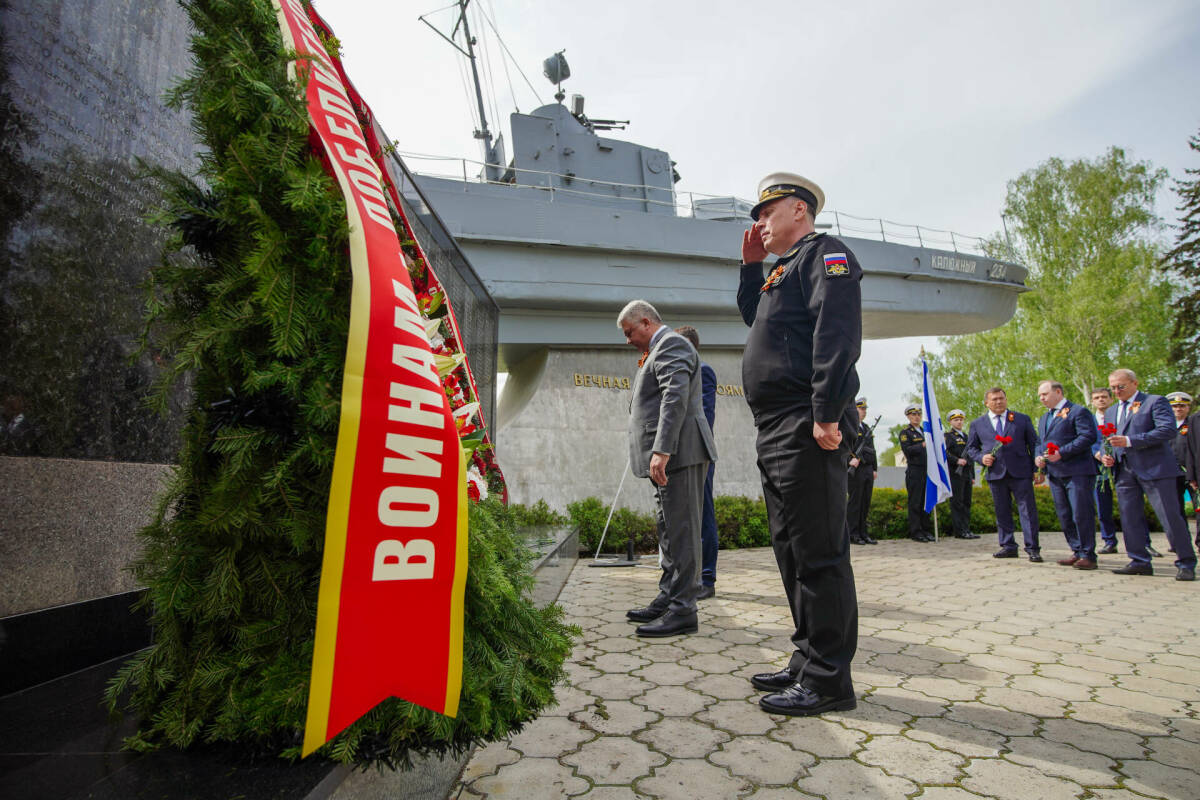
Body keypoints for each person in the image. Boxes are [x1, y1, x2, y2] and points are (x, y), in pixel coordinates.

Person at [737, 171, 860, 716]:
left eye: (766, 213)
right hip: (776, 427)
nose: (759, 224)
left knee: (819, 554)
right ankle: (808, 658)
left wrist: (827, 411)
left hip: (805, 422)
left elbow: (836, 332)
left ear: (799, 211)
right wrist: (749, 269)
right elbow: (754, 319)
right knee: (791, 551)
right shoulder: (783, 270)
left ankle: (830, 680)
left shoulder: (824, 255)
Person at [619, 300, 718, 635]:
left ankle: (683, 611)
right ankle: (668, 597)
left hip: (680, 454)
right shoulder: (659, 348)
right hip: (669, 457)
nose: (628, 339)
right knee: (669, 531)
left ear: (646, 322)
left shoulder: (672, 344)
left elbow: (673, 397)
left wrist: (661, 449)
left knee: (683, 532)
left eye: (629, 332)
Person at [1099, 369, 1196, 581]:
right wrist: (1107, 455)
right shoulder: (1112, 410)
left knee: (1170, 518)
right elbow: (1107, 438)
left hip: (1156, 470)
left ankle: (1186, 562)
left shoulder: (1154, 402)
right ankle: (1139, 560)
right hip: (1124, 470)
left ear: (1135, 383)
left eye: (1120, 386)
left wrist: (1130, 441)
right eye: (1113, 387)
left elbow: (1166, 430)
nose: (1116, 391)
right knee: (1130, 518)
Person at [966, 387, 1042, 562]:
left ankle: (1033, 548)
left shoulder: (1021, 419)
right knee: (1002, 511)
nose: (999, 402)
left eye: (1001, 398)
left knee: (1027, 511)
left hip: (1021, 472)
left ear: (1006, 400)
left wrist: (1036, 469)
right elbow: (970, 448)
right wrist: (981, 457)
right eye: (994, 399)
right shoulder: (978, 423)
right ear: (986, 403)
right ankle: (1008, 546)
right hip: (996, 473)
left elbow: (1034, 443)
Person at [1034, 380, 1099, 569]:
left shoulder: (1078, 411)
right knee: (1065, 514)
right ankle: (1077, 550)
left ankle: (1088, 554)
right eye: (1040, 395)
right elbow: (1041, 442)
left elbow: (1088, 437)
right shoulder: (1044, 418)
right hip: (1055, 473)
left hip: (1077, 472)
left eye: (1045, 394)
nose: (1042, 398)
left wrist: (1062, 452)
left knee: (1081, 513)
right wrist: (1039, 457)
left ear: (1059, 392)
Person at [676, 325, 719, 598]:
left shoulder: (703, 371)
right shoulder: (682, 374)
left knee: (703, 517)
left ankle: (707, 580)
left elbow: (703, 418)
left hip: (698, 455)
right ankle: (689, 578)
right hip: (680, 456)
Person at [1090, 387, 1120, 554]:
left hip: (1121, 463)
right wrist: (1097, 453)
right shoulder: (1089, 419)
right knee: (1102, 505)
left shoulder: (1119, 416)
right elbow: (1086, 438)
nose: (1101, 400)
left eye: (1104, 397)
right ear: (1093, 402)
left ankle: (1144, 542)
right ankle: (1109, 540)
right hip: (1098, 466)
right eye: (1097, 398)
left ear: (1111, 399)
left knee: (1131, 505)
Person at [898, 404, 934, 542]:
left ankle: (926, 529)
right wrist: (922, 445)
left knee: (926, 501)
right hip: (915, 470)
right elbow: (907, 450)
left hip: (928, 470)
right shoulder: (906, 432)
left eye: (919, 414)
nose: (916, 417)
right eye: (913, 414)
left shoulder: (926, 432)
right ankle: (916, 531)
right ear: (908, 416)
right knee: (915, 502)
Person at [846, 397, 878, 546]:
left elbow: (872, 450)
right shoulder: (848, 426)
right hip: (855, 469)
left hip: (867, 469)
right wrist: (849, 460)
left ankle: (863, 533)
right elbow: (843, 447)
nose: (864, 411)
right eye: (861, 408)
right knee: (855, 502)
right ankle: (853, 533)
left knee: (865, 502)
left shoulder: (866, 428)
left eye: (865, 409)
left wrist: (875, 468)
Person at [944, 409, 978, 539]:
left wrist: (973, 476)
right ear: (950, 422)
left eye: (961, 419)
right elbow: (944, 453)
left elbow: (971, 457)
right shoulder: (948, 436)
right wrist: (957, 460)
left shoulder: (966, 437)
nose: (959, 422)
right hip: (955, 473)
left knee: (966, 502)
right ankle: (959, 531)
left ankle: (966, 529)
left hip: (967, 473)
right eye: (956, 420)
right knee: (957, 502)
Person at [1167, 391, 1194, 546]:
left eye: (1182, 406)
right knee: (1175, 509)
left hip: (1192, 472)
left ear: (1188, 407)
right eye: (1175, 406)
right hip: (1171, 472)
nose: (1178, 409)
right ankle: (1180, 542)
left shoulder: (1194, 424)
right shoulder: (1165, 425)